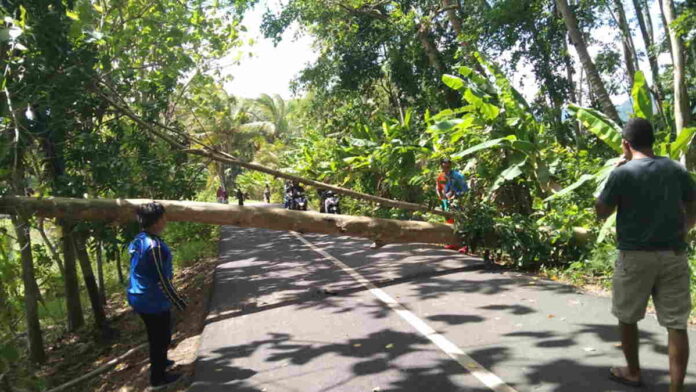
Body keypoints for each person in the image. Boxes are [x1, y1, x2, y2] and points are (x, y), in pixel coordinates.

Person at [595, 118, 696, 391]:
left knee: (627, 317)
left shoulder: (622, 173)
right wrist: (685, 230)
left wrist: (614, 170)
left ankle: (633, 372)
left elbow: (601, 211)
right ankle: (675, 387)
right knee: (676, 323)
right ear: (652, 140)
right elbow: (692, 205)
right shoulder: (676, 169)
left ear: (626, 144)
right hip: (673, 254)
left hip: (634, 257)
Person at [127, 202, 186, 389]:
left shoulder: (140, 239)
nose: (165, 220)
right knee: (159, 338)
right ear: (156, 221)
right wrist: (179, 301)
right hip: (151, 298)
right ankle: (158, 378)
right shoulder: (154, 246)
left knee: (160, 333)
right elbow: (162, 279)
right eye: (163, 217)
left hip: (139, 294)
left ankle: (162, 362)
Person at [436, 158, 469, 253]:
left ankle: (464, 246)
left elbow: (465, 190)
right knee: (450, 223)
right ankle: (453, 243)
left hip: (458, 202)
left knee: (461, 223)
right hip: (446, 203)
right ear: (441, 166)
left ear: (450, 166)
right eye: (443, 166)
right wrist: (441, 196)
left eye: (448, 166)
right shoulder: (441, 176)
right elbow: (438, 188)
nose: (445, 168)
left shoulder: (458, 176)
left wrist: (455, 195)